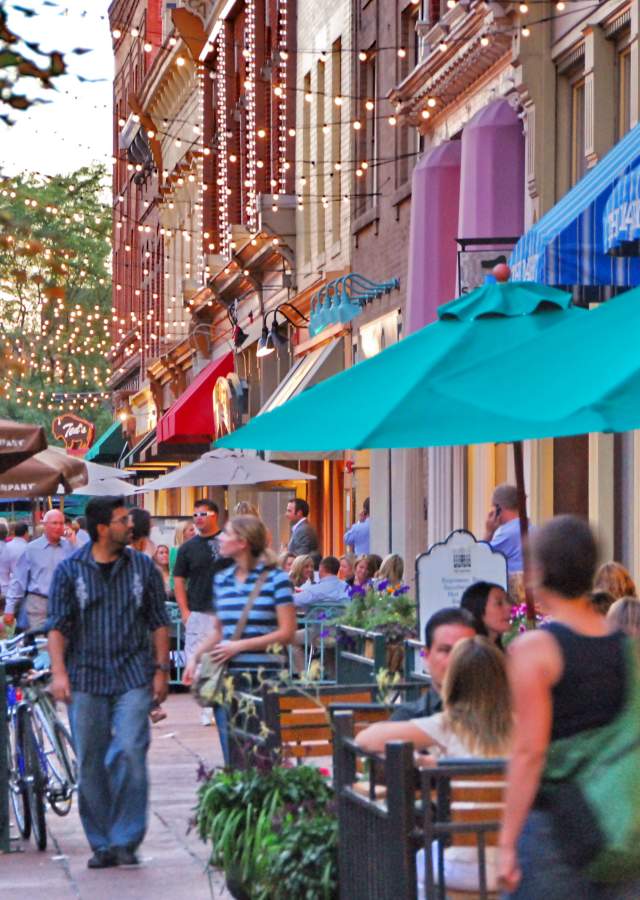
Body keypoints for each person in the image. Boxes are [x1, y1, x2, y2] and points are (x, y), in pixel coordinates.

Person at [498, 515, 640, 898]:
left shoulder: (534, 651)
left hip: (553, 829)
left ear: (540, 572)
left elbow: (528, 751)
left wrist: (507, 842)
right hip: (618, 821)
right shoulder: (628, 648)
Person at [47, 495, 170, 869]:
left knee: (130, 749)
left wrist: (161, 669)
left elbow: (158, 620)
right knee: (90, 762)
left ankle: (126, 838)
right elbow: (57, 626)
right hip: (85, 677)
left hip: (133, 673)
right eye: (121, 520)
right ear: (102, 529)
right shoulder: (70, 570)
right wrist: (59, 672)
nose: (129, 525)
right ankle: (102, 842)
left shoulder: (142, 568)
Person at [183, 515, 296, 764]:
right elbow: (220, 631)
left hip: (265, 679)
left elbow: (287, 632)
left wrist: (239, 646)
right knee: (233, 757)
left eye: (226, 534)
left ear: (242, 542)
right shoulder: (222, 580)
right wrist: (195, 656)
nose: (220, 539)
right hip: (229, 679)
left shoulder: (276, 579)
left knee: (265, 755)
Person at [173, 499, 229, 724]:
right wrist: (184, 611)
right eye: (195, 515)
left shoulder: (228, 542)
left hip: (224, 612)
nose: (198, 519)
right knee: (197, 661)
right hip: (198, 611)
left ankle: (219, 703)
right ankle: (207, 704)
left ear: (215, 515)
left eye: (202, 514)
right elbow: (178, 580)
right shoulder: (188, 548)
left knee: (222, 659)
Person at [390, 606, 477, 721]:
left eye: (464, 650)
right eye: (446, 650)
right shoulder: (407, 720)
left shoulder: (500, 715)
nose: (455, 659)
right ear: (426, 655)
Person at [5, 510, 72, 630]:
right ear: (45, 525)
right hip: (38, 604)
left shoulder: (70, 547)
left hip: (63, 603)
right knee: (40, 643)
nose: (58, 527)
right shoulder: (32, 549)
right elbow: (18, 579)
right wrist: (9, 608)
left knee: (62, 643)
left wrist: (74, 540)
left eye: (61, 523)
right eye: (54, 523)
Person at [484, 484, 527, 575]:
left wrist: (489, 532)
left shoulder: (508, 534)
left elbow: (478, 560)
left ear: (498, 508)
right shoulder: (530, 528)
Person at [459, 580, 511, 649]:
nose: (509, 607)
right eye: (499, 603)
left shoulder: (504, 651)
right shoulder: (468, 654)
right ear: (478, 609)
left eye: (508, 601)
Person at [0, 520, 29, 612]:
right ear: (26, 533)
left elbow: (3, 572)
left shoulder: (7, 548)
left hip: (8, 592)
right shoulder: (29, 548)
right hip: (24, 593)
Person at [286, 498, 319, 562]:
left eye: (289, 511)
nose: (286, 514)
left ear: (299, 513)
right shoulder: (301, 528)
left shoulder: (303, 530)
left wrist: (285, 555)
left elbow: (301, 559)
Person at [168, 519, 196, 592]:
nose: (194, 532)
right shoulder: (175, 550)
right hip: (180, 590)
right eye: (191, 530)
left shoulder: (192, 548)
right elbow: (176, 572)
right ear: (183, 533)